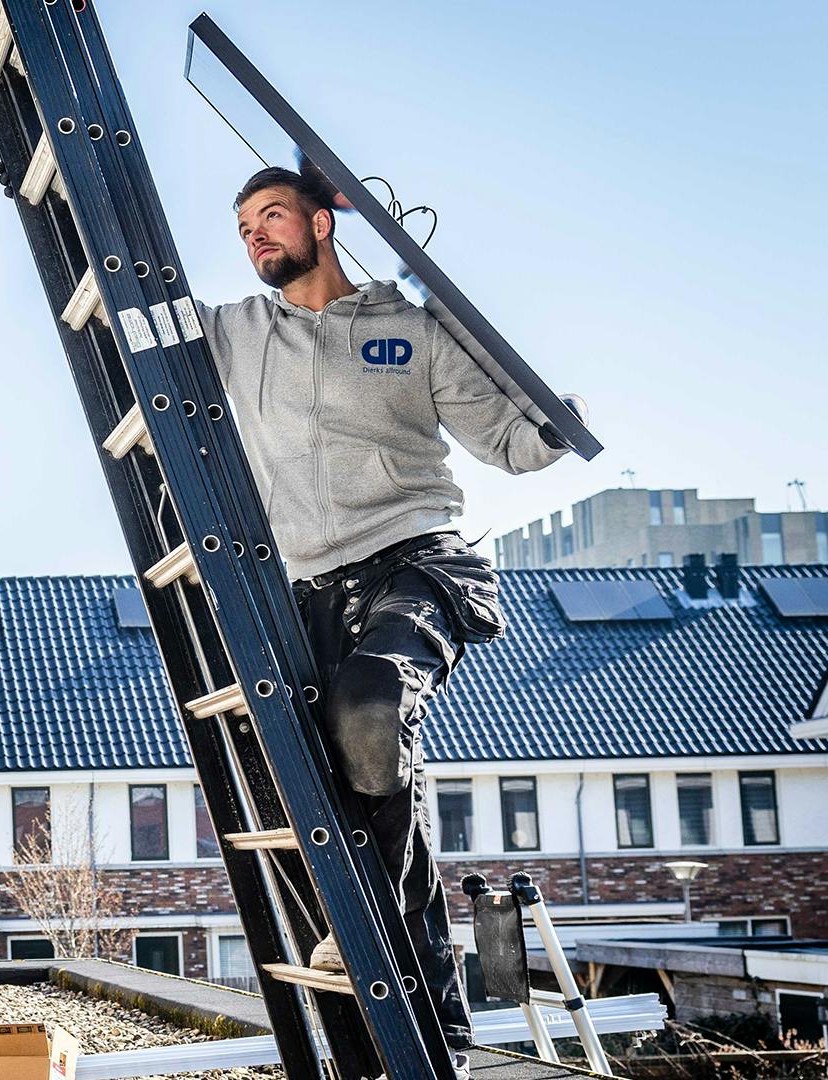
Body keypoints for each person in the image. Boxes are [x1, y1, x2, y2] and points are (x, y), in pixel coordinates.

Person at [196, 165, 586, 1066]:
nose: (254, 236)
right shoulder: (232, 333)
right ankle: (424, 1000)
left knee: (372, 710)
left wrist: (555, 427)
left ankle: (397, 957)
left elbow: (508, 440)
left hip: (418, 556)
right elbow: (130, 324)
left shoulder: (407, 333)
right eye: (243, 225)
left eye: (272, 217)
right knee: (358, 780)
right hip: (310, 586)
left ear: (323, 224)